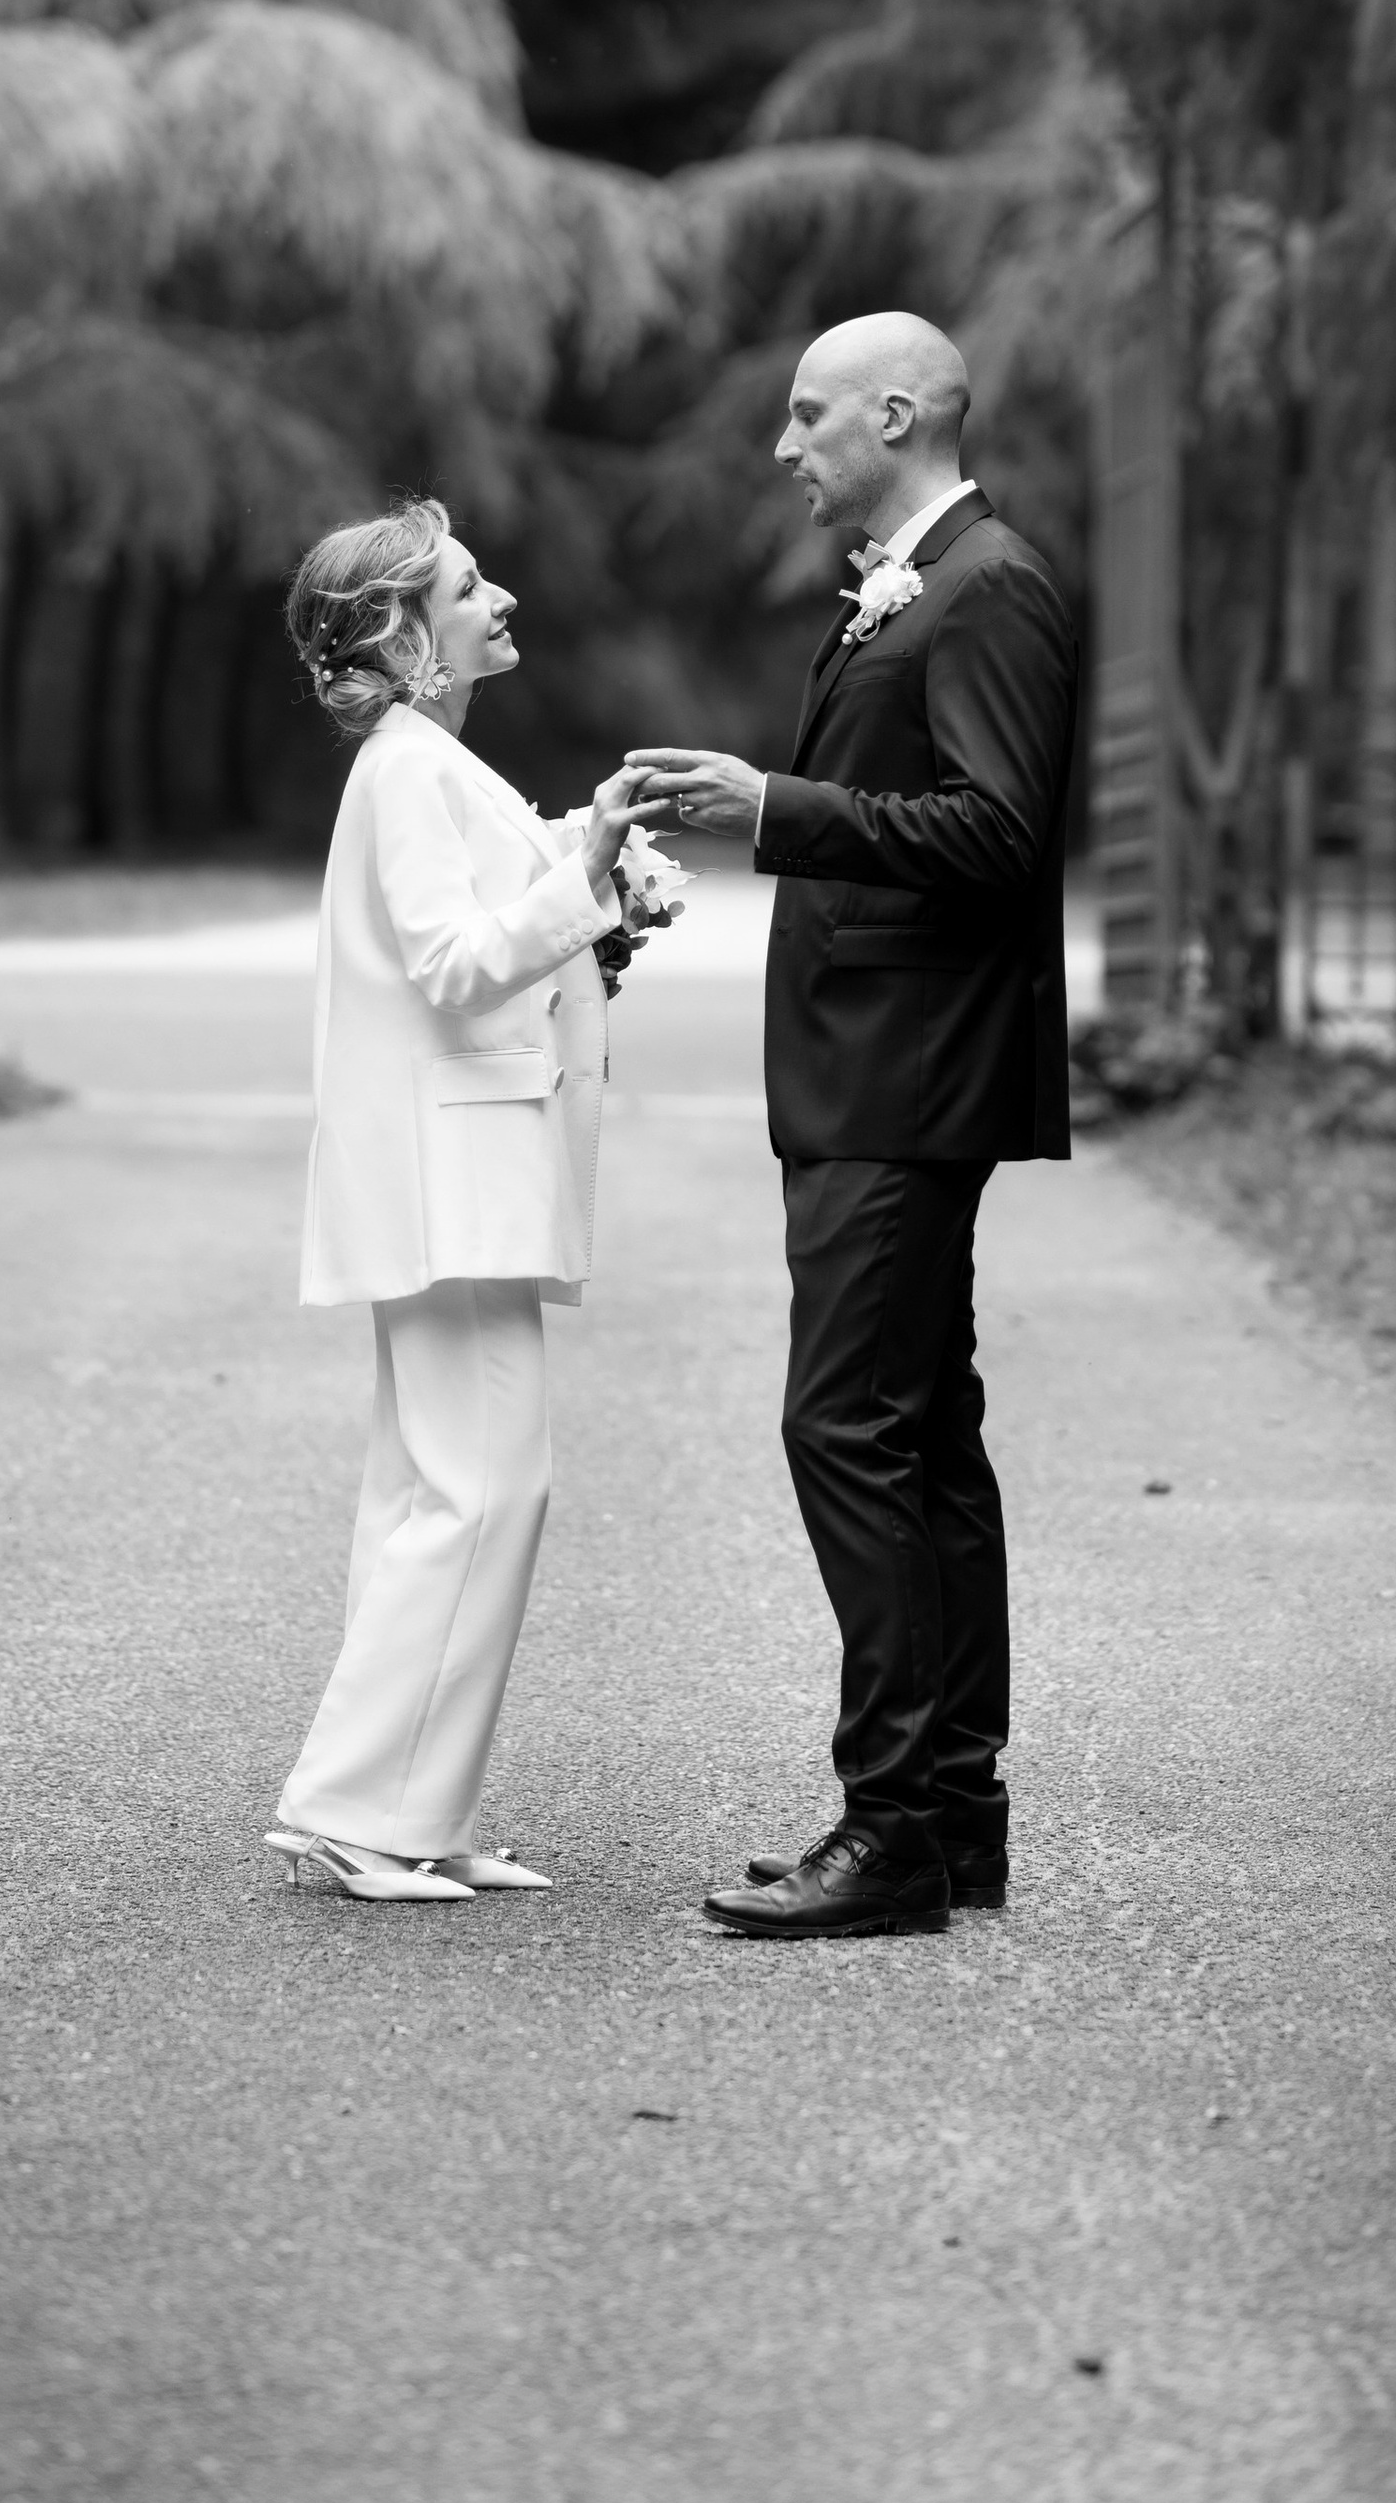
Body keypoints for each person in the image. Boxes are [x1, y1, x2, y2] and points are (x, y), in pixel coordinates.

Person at [627, 313, 1078, 1940]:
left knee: (848, 1431)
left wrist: (775, 807)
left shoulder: (989, 582)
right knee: (921, 1436)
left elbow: (998, 831)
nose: (783, 444)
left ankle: (890, 1825)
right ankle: (952, 1820)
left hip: (907, 1077)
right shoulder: (928, 579)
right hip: (872, 1073)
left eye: (808, 414)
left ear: (898, 412)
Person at [267, 499, 647, 1904]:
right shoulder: (408, 770)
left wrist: (583, 878)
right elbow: (447, 960)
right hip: (447, 1170)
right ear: (403, 634)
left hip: (454, 1162)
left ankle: (402, 1805)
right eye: (469, 588)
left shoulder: (424, 763)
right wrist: (589, 880)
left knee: (442, 1485)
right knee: (482, 1486)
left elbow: (493, 929)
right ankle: (362, 1807)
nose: (501, 601)